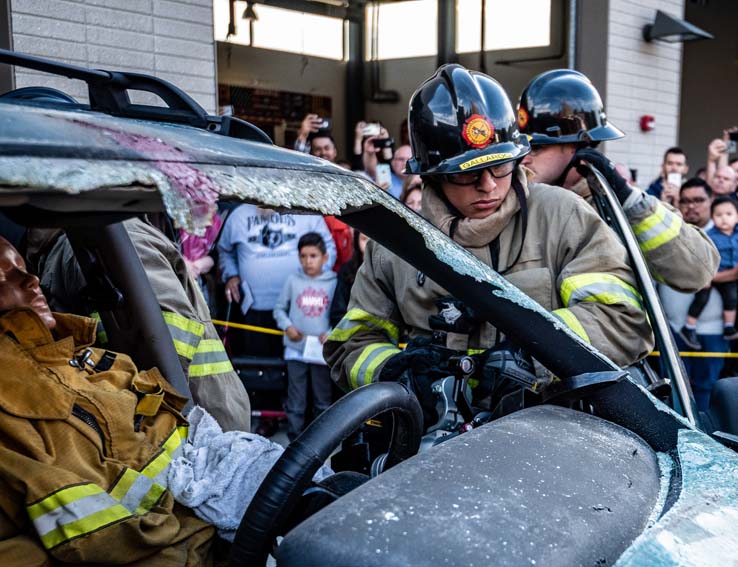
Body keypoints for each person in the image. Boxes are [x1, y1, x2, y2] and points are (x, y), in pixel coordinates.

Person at [324, 65, 652, 415]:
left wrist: (532, 355)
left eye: (500, 167)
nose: (489, 185)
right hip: (432, 444)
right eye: (467, 174)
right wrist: (399, 370)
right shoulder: (396, 244)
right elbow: (350, 346)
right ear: (433, 176)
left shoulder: (561, 217)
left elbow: (623, 320)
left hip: (553, 434)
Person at [0, 236, 216, 564]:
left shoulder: (94, 359)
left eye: (24, 269)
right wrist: (197, 527)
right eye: (4, 278)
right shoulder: (16, 398)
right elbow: (90, 527)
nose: (30, 280)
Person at [517, 69, 718, 294]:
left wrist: (628, 200)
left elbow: (696, 272)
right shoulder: (517, 204)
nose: (524, 157)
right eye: (522, 147)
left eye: (537, 147)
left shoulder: (618, 208)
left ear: (579, 146)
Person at [217, 204, 336, 359]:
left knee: (296, 370)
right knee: (259, 367)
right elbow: (224, 251)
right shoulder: (238, 215)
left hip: (301, 312)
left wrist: (313, 282)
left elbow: (328, 249)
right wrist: (232, 274)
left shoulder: (306, 210)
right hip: (254, 311)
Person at [659, 179, 730, 410]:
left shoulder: (726, 235)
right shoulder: (669, 232)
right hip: (672, 330)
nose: (691, 206)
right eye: (685, 201)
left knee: (706, 390)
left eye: (698, 200)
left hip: (712, 331)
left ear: (711, 200)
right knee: (673, 390)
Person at [273, 233, 337, 440]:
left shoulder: (333, 282)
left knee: (322, 398)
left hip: (320, 352)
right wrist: (288, 326)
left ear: (325, 257)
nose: (308, 261)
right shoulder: (293, 280)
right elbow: (279, 309)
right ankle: (294, 439)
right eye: (303, 256)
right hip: (295, 349)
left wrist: (331, 334)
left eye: (313, 256)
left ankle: (322, 440)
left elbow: (340, 315)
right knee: (296, 399)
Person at [680, 196, 738, 347]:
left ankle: (729, 326)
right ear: (712, 217)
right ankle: (689, 326)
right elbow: (703, 256)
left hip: (730, 277)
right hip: (711, 273)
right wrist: (705, 275)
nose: (724, 219)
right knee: (701, 298)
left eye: (729, 214)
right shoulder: (710, 236)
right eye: (719, 215)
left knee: (731, 297)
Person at [330, 230, 370, 328]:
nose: (369, 245)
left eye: (374, 241)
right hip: (352, 334)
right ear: (356, 240)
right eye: (364, 239)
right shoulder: (347, 271)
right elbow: (338, 311)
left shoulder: (388, 271)